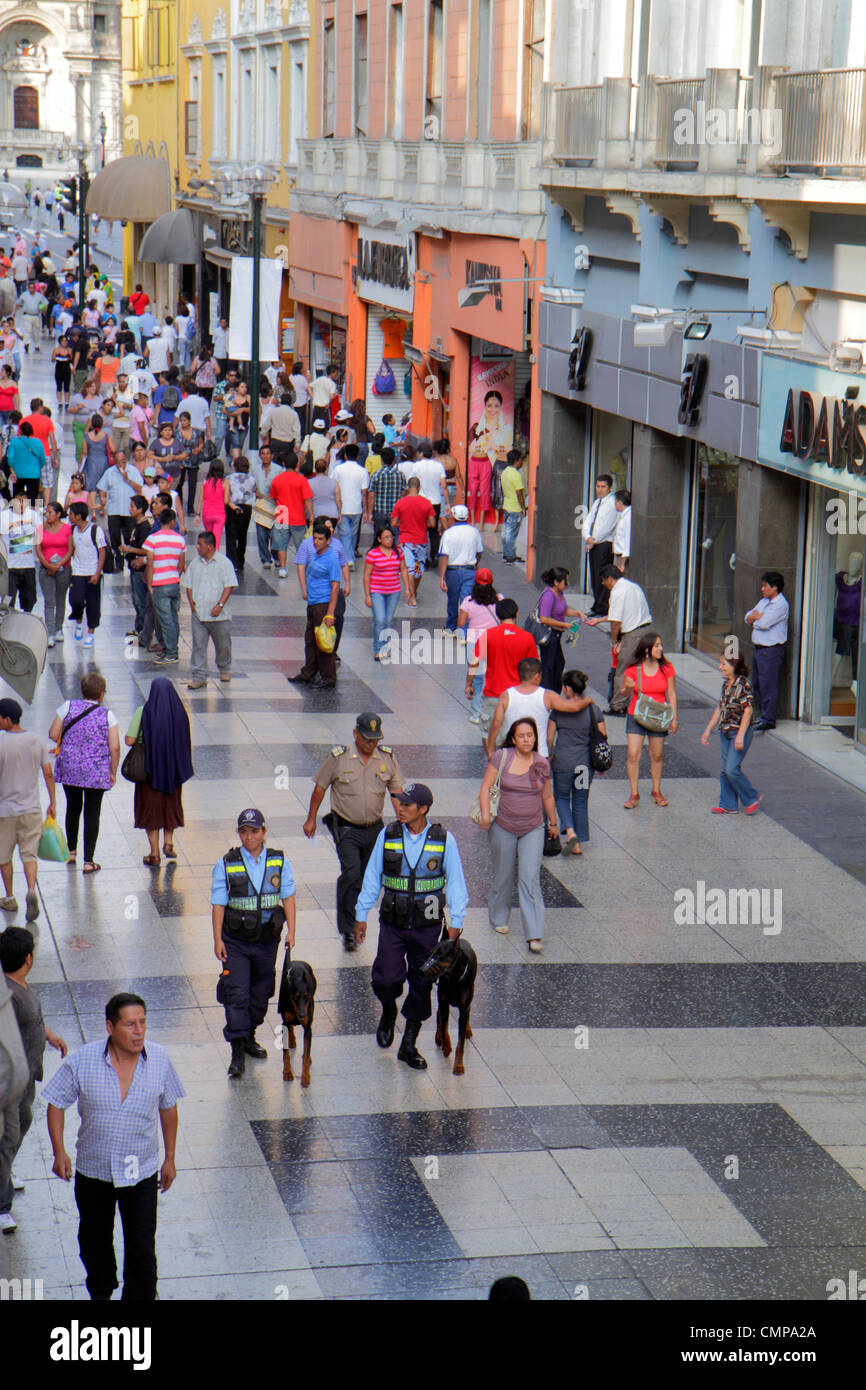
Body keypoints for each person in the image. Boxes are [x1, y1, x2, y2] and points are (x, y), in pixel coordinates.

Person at [42, 991, 184, 1302]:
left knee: (142, 1246)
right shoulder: (83, 1060)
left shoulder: (159, 1058)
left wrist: (170, 1158)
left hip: (141, 1172)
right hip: (95, 1171)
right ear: (110, 1027)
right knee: (94, 1242)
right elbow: (56, 1101)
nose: (139, 1031)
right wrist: (59, 1152)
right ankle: (101, 1293)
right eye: (130, 1024)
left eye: (143, 1023)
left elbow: (168, 1108)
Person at [354, 783, 468, 1068]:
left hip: (427, 926)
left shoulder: (444, 840)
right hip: (392, 922)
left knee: (423, 982)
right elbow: (372, 875)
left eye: (407, 804)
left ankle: (409, 1045)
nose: (400, 808)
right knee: (386, 978)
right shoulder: (388, 834)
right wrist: (361, 913)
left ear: (423, 809)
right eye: (399, 803)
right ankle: (389, 1010)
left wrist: (456, 922)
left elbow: (455, 882)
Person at [303, 714, 403, 952]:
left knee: (370, 877)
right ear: (356, 734)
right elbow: (320, 788)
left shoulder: (387, 758)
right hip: (346, 828)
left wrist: (405, 822)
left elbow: (397, 792)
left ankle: (359, 918)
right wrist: (310, 819)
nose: (371, 744)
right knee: (351, 873)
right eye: (367, 739)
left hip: (375, 829)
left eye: (375, 739)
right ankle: (347, 929)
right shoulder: (339, 758)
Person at [210, 808, 296, 1077]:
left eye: (254, 831)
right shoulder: (227, 863)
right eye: (244, 832)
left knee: (261, 993)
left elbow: (289, 897)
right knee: (236, 993)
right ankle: (237, 1053)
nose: (249, 837)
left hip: (266, 941)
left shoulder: (279, 861)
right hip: (234, 941)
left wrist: (292, 930)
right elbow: (218, 904)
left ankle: (249, 1035)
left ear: (264, 832)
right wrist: (217, 940)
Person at [0, 927, 67, 1233]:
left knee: (23, 1124)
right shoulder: (7, 995)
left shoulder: (20, 985)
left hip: (27, 1076)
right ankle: (2, 1205)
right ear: (28, 958)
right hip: (12, 1082)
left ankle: (5, 1172)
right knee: (9, 1137)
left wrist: (49, 1035)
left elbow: (34, 1020)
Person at [478, 718, 558, 952]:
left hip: (532, 827)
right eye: (521, 735)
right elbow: (486, 786)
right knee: (503, 874)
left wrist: (553, 823)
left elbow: (548, 797)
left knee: (529, 878)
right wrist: (485, 815)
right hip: (503, 824)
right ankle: (499, 917)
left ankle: (534, 933)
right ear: (513, 738)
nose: (526, 739)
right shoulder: (502, 757)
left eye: (530, 735)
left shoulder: (541, 763)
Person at [49, 672, 120, 873]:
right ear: (101, 694)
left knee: (73, 807)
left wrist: (71, 743)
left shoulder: (67, 707)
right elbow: (114, 747)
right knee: (92, 812)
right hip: (96, 772)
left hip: (70, 768)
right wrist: (112, 771)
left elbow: (53, 734)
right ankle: (88, 861)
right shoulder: (107, 715)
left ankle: (71, 853)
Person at [125, 678, 193, 864]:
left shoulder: (143, 712)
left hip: (149, 772)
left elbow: (130, 740)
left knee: (151, 810)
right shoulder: (179, 713)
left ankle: (154, 853)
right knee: (170, 806)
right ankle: (169, 843)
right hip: (172, 772)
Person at [0, 698, 55, 921]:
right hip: (31, 808)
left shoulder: (1, 744)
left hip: (5, 811)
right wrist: (52, 802)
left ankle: (10, 897)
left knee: (4, 856)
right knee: (29, 854)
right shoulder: (36, 741)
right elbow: (48, 773)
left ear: (7, 719)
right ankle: (31, 890)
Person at [486, 655, 592, 758]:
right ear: (537, 676)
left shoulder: (506, 695)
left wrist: (491, 749)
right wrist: (588, 700)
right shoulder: (547, 695)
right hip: (539, 754)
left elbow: (496, 724)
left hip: (511, 753)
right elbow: (573, 707)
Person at [549, 670, 606, 855]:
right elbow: (603, 737)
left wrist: (550, 756)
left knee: (562, 797)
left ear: (567, 688)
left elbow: (550, 738)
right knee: (580, 801)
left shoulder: (558, 710)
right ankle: (579, 843)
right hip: (584, 765)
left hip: (563, 764)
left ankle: (570, 831)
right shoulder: (593, 710)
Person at [584, 566, 654, 713]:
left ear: (610, 579)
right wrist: (598, 620)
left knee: (622, 670)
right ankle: (641, 701)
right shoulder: (633, 586)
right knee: (641, 669)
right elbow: (623, 613)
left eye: (603, 581)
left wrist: (615, 642)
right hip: (646, 630)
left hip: (633, 634)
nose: (603, 584)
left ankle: (618, 705)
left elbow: (615, 621)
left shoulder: (617, 592)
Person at [621, 632, 678, 809]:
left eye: (661, 645)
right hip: (636, 714)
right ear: (647, 650)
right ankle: (634, 793)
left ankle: (656, 790)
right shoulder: (633, 669)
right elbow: (623, 692)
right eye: (657, 646)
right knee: (633, 754)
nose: (661, 649)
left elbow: (672, 693)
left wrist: (674, 718)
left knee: (657, 755)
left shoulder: (667, 668)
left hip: (658, 716)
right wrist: (627, 687)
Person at [465, 597, 539, 732]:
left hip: (493, 694)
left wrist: (469, 684)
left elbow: (474, 662)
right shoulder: (527, 637)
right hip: (517, 696)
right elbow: (534, 669)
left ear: (498, 615)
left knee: (488, 734)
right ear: (516, 614)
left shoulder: (488, 635)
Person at [701, 649, 761, 814]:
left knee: (731, 769)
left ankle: (751, 796)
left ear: (733, 665)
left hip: (738, 732)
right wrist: (708, 729)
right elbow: (720, 707)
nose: (720, 667)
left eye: (723, 664)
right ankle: (728, 804)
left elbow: (748, 711)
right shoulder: (726, 684)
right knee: (724, 770)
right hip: (725, 732)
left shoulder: (742, 684)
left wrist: (740, 736)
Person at [288, 521, 340, 686]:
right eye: (315, 538)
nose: (316, 542)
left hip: (323, 605)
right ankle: (308, 673)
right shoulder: (317, 555)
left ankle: (328, 677)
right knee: (310, 640)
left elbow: (335, 586)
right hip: (313, 603)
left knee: (323, 641)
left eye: (320, 539)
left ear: (327, 540)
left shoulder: (331, 558)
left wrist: (330, 612)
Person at [184, 531, 237, 688]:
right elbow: (188, 585)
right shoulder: (195, 563)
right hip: (199, 615)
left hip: (219, 617)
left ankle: (224, 669)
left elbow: (229, 586)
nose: (197, 547)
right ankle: (199, 677)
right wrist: (192, 606)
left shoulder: (224, 563)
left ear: (210, 546)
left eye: (200, 544)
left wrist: (220, 605)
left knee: (223, 645)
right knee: (198, 646)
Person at [745, 570, 789, 731]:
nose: (762, 589)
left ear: (774, 588)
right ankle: (763, 716)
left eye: (765, 586)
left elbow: (764, 624)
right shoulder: (764, 602)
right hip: (759, 649)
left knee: (768, 685)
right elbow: (747, 615)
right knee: (757, 683)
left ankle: (768, 718)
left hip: (771, 650)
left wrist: (755, 619)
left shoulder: (781, 605)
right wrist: (754, 617)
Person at [143, 507, 186, 665]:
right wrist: (175, 577)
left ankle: (172, 652)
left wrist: (150, 584)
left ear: (160, 520)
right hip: (174, 582)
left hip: (159, 584)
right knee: (173, 619)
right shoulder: (180, 540)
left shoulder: (152, 539)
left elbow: (150, 564)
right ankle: (171, 650)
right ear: (173, 521)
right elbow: (181, 564)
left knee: (165, 620)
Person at [365, 525, 411, 660]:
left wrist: (407, 588)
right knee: (380, 619)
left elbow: (403, 569)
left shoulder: (398, 552)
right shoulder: (373, 553)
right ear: (379, 539)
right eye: (386, 537)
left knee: (389, 620)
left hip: (393, 590)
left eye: (391, 537)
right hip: (377, 590)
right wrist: (368, 595)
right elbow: (367, 575)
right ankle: (378, 648)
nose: (389, 539)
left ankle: (386, 647)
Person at [535, 566, 582, 692]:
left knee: (558, 663)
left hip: (556, 635)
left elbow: (563, 610)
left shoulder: (559, 593)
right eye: (565, 581)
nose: (568, 584)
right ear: (556, 582)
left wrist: (578, 613)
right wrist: (564, 625)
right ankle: (547, 692)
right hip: (550, 635)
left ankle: (553, 691)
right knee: (549, 666)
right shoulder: (548, 596)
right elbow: (544, 618)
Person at [96, 447, 144, 570]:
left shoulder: (133, 471)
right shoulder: (109, 472)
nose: (120, 464)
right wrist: (102, 497)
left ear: (126, 460)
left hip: (129, 512)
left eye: (122, 461)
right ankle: (118, 561)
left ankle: (130, 560)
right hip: (114, 510)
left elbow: (140, 488)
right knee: (115, 537)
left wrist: (128, 479)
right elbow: (102, 487)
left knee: (129, 537)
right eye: (117, 462)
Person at [439, 503, 484, 632]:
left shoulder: (448, 533)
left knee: (452, 599)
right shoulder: (474, 531)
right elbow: (479, 552)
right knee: (467, 600)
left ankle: (451, 627)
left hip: (452, 571)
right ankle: (464, 629)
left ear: (453, 517)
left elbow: (445, 556)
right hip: (469, 570)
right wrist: (475, 564)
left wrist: (442, 577)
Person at [401, 440, 448, 564]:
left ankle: (424, 557)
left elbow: (411, 483)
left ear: (421, 453)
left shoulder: (416, 466)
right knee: (434, 530)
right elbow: (443, 485)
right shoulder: (439, 466)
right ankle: (434, 555)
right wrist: (447, 503)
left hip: (420, 502)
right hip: (436, 502)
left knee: (421, 529)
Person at [390, 476, 434, 605]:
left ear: (407, 488)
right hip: (421, 540)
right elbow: (432, 523)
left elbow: (393, 523)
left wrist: (403, 524)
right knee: (418, 568)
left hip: (405, 540)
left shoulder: (400, 502)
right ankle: (414, 591)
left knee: (409, 568)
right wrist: (421, 523)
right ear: (419, 488)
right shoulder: (426, 503)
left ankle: (412, 596)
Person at [68, 501, 107, 647]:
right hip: (77, 571)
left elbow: (102, 551)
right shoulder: (72, 530)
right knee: (75, 599)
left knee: (93, 604)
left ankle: (90, 632)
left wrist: (97, 573)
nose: (69, 516)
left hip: (92, 572)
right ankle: (78, 622)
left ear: (79, 516)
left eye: (71, 514)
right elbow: (71, 549)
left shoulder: (95, 530)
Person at [269, 453, 313, 575]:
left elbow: (273, 497)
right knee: (301, 545)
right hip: (298, 517)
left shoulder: (277, 479)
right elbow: (308, 499)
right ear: (297, 464)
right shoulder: (302, 480)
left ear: (283, 464)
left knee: (281, 545)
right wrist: (311, 516)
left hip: (281, 516)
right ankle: (303, 568)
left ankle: (283, 568)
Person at [36, 500, 73, 646]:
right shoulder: (41, 529)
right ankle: (50, 631)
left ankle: (59, 629)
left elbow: (70, 549)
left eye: (50, 512)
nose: (47, 515)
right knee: (49, 601)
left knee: (60, 599)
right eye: (46, 513)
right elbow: (38, 549)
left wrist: (59, 564)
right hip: (46, 569)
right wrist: (47, 564)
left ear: (58, 514)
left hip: (63, 568)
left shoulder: (68, 529)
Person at [583, 474, 618, 616]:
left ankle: (603, 607)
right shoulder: (597, 502)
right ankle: (597, 604)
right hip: (594, 543)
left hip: (604, 544)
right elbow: (588, 521)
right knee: (595, 576)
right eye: (598, 486)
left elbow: (607, 526)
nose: (600, 489)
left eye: (603, 487)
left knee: (602, 576)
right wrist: (587, 537)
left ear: (609, 488)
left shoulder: (612, 503)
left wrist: (593, 541)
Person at [120, 493, 152, 640]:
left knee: (141, 601)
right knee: (137, 600)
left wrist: (129, 550)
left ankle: (143, 630)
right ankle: (139, 628)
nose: (130, 509)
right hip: (134, 569)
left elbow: (146, 550)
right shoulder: (136, 525)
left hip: (140, 570)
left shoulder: (144, 527)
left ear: (140, 509)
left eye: (132, 506)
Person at [333, 443, 369, 567]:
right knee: (353, 535)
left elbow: (334, 486)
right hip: (357, 507)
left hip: (342, 507)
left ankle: (348, 558)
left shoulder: (338, 469)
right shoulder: (363, 471)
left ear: (345, 455)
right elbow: (364, 493)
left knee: (345, 535)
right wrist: (366, 511)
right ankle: (350, 557)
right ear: (357, 455)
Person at [4, 491, 39, 610]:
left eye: (25, 502)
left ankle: (26, 622)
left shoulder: (34, 516)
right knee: (8, 601)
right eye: (19, 501)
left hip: (28, 565)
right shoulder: (4, 517)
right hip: (10, 567)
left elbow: (39, 537)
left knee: (30, 599)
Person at [250, 441, 283, 567]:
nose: (265, 456)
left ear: (272, 455)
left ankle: (276, 557)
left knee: (275, 534)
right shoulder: (255, 469)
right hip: (261, 504)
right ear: (260, 456)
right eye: (263, 454)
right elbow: (251, 484)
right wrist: (255, 492)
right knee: (261, 534)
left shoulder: (279, 470)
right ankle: (265, 559)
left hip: (275, 504)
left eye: (268, 454)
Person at [224, 455, 256, 572]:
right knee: (243, 535)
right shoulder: (252, 479)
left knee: (231, 535)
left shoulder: (229, 478)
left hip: (232, 507)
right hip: (246, 508)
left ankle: (232, 562)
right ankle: (241, 560)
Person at [368, 444, 405, 536]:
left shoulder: (376, 475)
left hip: (379, 511)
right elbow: (403, 494)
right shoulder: (400, 475)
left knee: (379, 536)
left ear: (381, 460)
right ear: (394, 460)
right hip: (395, 511)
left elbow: (371, 495)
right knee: (395, 537)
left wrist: (369, 513)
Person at [174, 409, 204, 516]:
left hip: (193, 459)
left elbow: (201, 443)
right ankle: (179, 505)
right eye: (181, 421)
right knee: (179, 483)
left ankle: (190, 508)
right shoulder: (176, 433)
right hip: (181, 460)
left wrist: (198, 449)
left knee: (192, 484)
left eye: (185, 420)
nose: (183, 423)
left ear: (189, 421)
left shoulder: (196, 432)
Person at [6, 420, 44, 502]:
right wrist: (37, 467)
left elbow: (10, 458)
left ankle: (17, 512)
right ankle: (34, 513)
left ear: (21, 431)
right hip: (34, 473)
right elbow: (43, 459)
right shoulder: (38, 442)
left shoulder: (15, 441)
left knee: (17, 497)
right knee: (34, 498)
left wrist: (12, 470)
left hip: (18, 473)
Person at [500, 450, 527, 563]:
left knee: (506, 531)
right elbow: (519, 493)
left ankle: (506, 553)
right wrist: (523, 508)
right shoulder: (516, 475)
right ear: (517, 461)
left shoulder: (505, 472)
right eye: (521, 459)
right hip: (515, 508)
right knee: (511, 533)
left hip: (506, 506)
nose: (522, 462)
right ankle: (510, 556)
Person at [194, 459, 227, 549]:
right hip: (219, 514)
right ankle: (215, 558)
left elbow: (200, 500)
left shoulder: (205, 482)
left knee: (209, 539)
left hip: (207, 514)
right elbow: (226, 500)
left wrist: (197, 515)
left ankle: (208, 556)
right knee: (216, 540)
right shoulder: (224, 482)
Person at [81, 413, 113, 502]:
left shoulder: (87, 436)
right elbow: (113, 449)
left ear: (92, 424)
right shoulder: (106, 435)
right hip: (103, 462)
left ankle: (93, 510)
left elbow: (84, 453)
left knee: (92, 486)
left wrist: (80, 467)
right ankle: (102, 507)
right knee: (102, 485)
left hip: (91, 462)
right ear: (102, 424)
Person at [262, 391, 301, 460]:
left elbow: (266, 425)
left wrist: (263, 434)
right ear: (290, 402)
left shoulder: (274, 411)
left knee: (275, 462)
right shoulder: (294, 414)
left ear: (281, 401)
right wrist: (297, 444)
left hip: (275, 441)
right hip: (288, 443)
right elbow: (297, 430)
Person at [309, 453, 340, 520]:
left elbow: (308, 500)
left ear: (315, 468)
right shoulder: (334, 482)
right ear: (326, 468)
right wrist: (339, 513)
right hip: (332, 514)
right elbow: (338, 500)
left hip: (315, 513)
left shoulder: (309, 483)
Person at [288, 360, 310, 434]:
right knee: (301, 421)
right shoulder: (302, 378)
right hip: (302, 402)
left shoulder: (290, 377)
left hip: (293, 402)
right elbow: (307, 389)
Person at [52, 333, 73, 408]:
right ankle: (59, 402)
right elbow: (53, 359)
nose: (65, 342)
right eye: (63, 341)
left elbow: (71, 360)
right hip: (59, 369)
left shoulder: (69, 350)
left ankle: (67, 402)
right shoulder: (56, 350)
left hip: (67, 369)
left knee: (67, 386)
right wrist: (56, 357)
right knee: (59, 386)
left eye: (66, 341)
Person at [613, 488, 631, 572]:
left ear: (620, 502)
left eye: (615, 501)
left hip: (623, 557)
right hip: (618, 555)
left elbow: (628, 541)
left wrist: (622, 564)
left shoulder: (628, 517)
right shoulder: (623, 515)